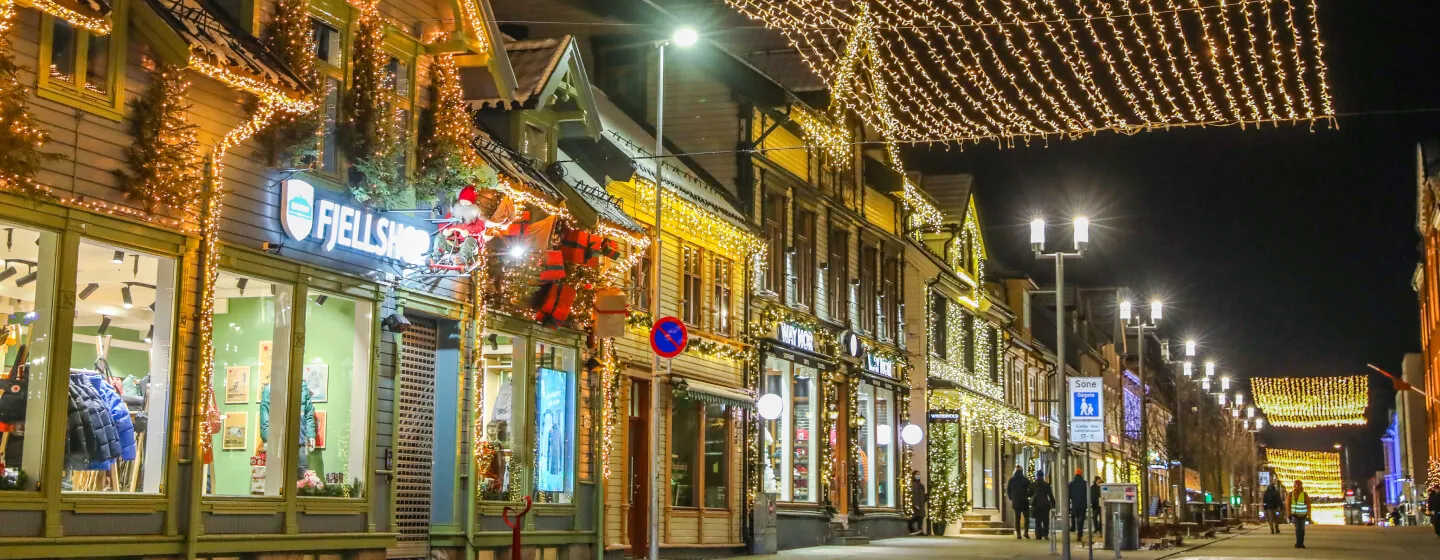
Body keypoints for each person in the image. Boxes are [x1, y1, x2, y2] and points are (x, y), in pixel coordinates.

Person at [1007, 466, 1032, 539]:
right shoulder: (1025, 480)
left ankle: (1018, 534)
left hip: (1016, 502)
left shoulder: (1011, 480)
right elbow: (1031, 489)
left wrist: (1012, 498)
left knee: (1017, 518)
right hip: (1024, 501)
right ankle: (1026, 532)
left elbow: (1008, 490)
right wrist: (1028, 495)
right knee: (1026, 517)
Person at [1032, 471, 1055, 540]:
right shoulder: (1046, 484)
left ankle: (1038, 535)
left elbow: (1029, 493)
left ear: (1037, 475)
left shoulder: (1033, 484)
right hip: (1045, 504)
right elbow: (1050, 495)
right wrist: (1053, 503)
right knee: (1045, 520)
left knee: (1038, 521)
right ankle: (1045, 534)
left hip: (1037, 504)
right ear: (1042, 476)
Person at [1290, 479, 1312, 548]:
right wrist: (1289, 514)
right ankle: (1298, 542)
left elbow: (1308, 504)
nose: (1295, 486)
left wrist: (1309, 514)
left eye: (1296, 484)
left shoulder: (1304, 494)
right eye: (1295, 484)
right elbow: (1288, 504)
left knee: (1302, 529)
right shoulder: (1291, 494)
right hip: (1295, 514)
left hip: (1303, 514)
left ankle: (1301, 543)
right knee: (1297, 528)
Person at [1068, 469, 1088, 538]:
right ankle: (1080, 532)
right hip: (1083, 504)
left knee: (1075, 516)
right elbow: (1087, 494)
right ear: (1081, 474)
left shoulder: (1071, 483)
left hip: (1075, 504)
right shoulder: (1085, 483)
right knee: (1081, 518)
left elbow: (1068, 495)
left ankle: (1074, 528)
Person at [909, 471, 928, 535]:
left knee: (920, 518)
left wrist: (926, 497)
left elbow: (921, 496)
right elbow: (914, 495)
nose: (918, 476)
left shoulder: (921, 485)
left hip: (921, 504)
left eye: (919, 474)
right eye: (916, 474)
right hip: (916, 504)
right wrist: (915, 504)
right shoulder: (913, 485)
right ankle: (914, 530)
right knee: (915, 517)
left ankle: (920, 530)